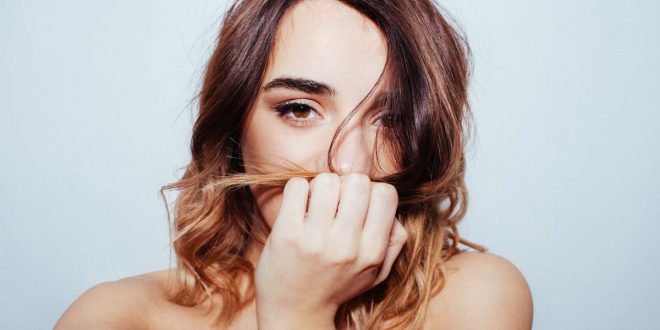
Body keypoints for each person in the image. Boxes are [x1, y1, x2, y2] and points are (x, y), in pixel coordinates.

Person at [55, 0, 533, 329]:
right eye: (299, 109)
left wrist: (297, 312)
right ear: (233, 127)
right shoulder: (117, 317)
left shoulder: (472, 297)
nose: (347, 165)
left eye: (390, 120)